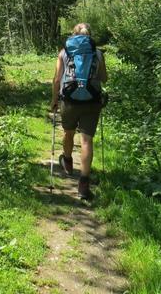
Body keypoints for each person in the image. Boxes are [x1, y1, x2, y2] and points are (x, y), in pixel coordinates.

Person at [50, 23, 107, 200]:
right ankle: (83, 183)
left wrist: (54, 101)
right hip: (92, 100)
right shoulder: (97, 54)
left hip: (69, 100)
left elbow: (57, 80)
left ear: (73, 36)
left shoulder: (64, 53)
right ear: (90, 37)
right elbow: (104, 78)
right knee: (87, 140)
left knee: (68, 132)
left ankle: (67, 161)